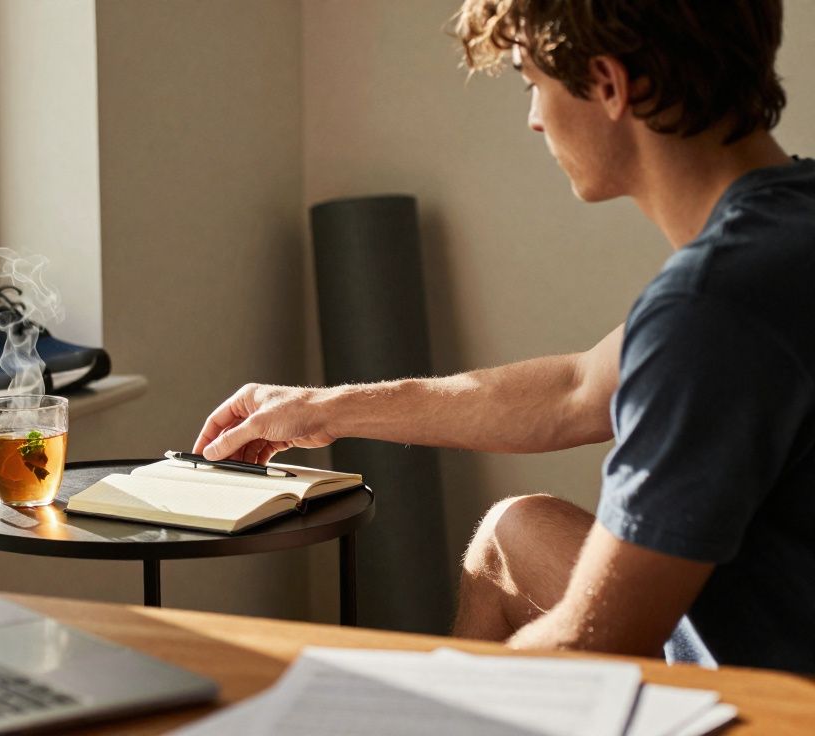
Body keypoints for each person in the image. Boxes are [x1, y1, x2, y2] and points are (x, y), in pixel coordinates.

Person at [194, 0, 815, 673]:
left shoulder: (712, 310)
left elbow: (592, 641)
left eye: (531, 82)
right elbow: (577, 389)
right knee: (513, 532)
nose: (534, 117)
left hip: (775, 701)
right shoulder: (787, 231)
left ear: (609, 85)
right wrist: (324, 410)